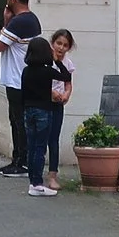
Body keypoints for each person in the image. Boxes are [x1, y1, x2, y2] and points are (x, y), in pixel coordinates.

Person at [0, 0, 42, 177]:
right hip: (20, 79)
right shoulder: (31, 20)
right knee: (17, 120)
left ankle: (22, 162)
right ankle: (17, 159)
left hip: (17, 80)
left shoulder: (19, 22)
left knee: (20, 121)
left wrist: (5, 22)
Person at [19, 36, 64, 196]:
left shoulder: (26, 71)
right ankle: (38, 184)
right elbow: (66, 76)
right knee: (40, 147)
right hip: (44, 111)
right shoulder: (47, 71)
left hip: (28, 110)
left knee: (31, 146)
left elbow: (22, 93)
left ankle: (33, 181)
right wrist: (57, 61)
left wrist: (24, 109)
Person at [43, 29, 77, 188]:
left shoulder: (67, 63)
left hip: (57, 104)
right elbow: (38, 80)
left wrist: (66, 95)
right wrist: (51, 93)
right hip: (43, 102)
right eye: (59, 43)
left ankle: (53, 175)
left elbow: (68, 83)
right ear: (52, 43)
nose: (61, 48)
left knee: (54, 138)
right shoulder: (45, 59)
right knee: (41, 137)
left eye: (65, 45)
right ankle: (36, 172)